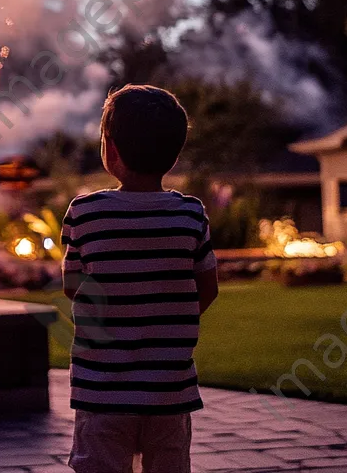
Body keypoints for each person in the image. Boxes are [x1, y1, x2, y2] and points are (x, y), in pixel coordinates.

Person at [61, 85, 219, 473]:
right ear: (174, 153)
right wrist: (164, 312)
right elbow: (209, 288)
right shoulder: (190, 215)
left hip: (102, 392)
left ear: (110, 149)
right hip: (169, 391)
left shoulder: (86, 213)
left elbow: (71, 284)